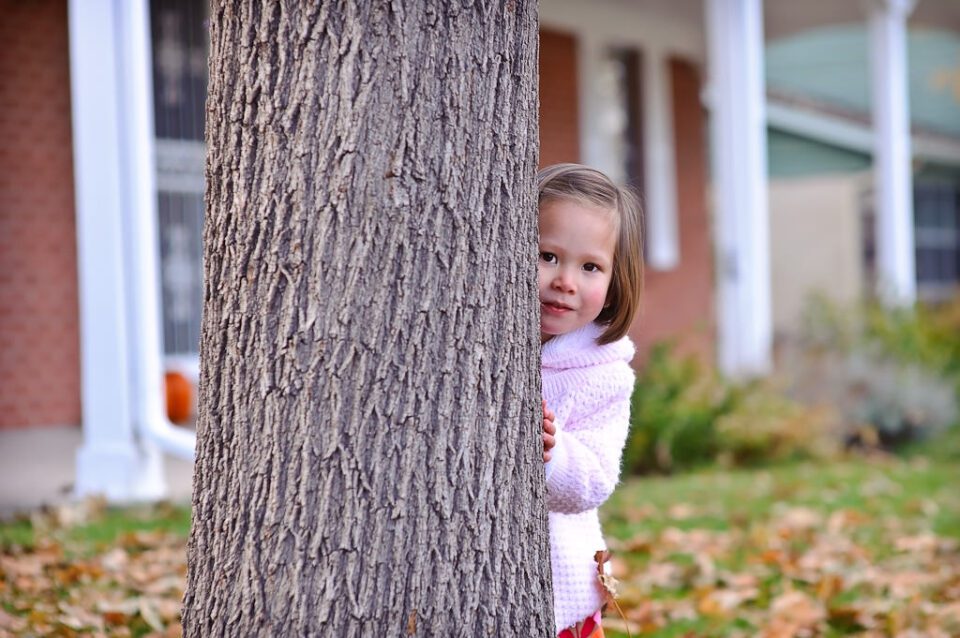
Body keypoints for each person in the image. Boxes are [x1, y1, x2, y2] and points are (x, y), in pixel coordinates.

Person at [536, 163, 643, 637]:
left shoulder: (603, 375)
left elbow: (594, 482)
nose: (566, 280)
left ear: (615, 279)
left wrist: (553, 453)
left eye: (590, 266)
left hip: (559, 596)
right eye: (547, 256)